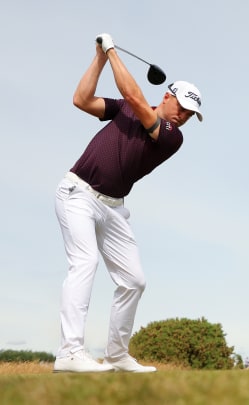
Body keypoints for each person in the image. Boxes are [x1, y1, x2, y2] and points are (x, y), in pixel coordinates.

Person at [53, 33, 203, 373]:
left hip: (114, 208)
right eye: (182, 107)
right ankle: (69, 353)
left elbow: (134, 96)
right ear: (167, 96)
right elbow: (81, 99)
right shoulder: (124, 110)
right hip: (78, 194)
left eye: (191, 114)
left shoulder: (171, 136)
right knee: (85, 263)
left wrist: (112, 50)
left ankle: (117, 355)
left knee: (134, 280)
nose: (183, 116)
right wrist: (100, 58)